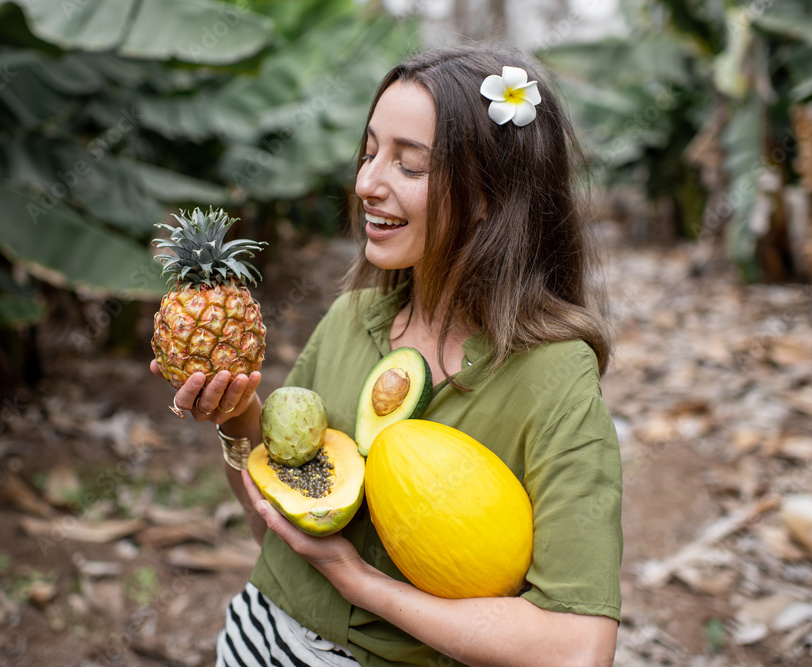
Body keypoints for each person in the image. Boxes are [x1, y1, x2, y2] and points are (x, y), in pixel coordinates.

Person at [151, 45, 623, 667]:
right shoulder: (351, 317)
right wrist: (237, 420)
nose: (367, 183)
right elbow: (276, 523)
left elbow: (576, 649)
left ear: (488, 194)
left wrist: (361, 583)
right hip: (260, 633)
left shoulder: (554, 376)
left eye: (409, 165)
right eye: (370, 152)